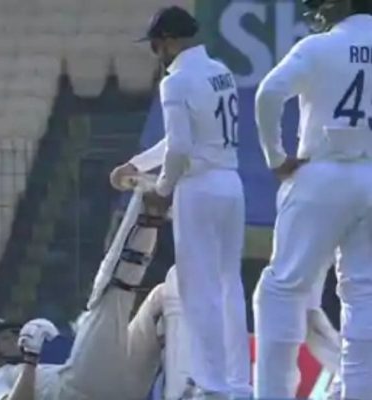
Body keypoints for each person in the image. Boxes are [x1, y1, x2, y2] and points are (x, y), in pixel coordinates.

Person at [112, 5, 250, 398]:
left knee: (197, 287)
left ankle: (210, 383)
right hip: (230, 183)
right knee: (229, 283)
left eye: (156, 44)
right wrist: (138, 164)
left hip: (198, 188)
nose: (156, 52)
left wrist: (163, 187)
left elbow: (180, 148)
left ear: (170, 40)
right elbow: (181, 140)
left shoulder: (175, 82)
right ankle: (238, 382)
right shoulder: (219, 71)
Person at [253, 0, 372, 398]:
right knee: (364, 295)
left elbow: (269, 93)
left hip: (322, 172)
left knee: (282, 289)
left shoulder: (319, 47)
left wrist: (276, 157)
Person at [0, 187, 195, 400]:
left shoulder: (39, 370)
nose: (14, 339)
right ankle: (146, 208)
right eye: (4, 338)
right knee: (110, 293)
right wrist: (31, 359)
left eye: (13, 333)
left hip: (122, 388)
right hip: (79, 390)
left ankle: (183, 390)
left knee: (164, 295)